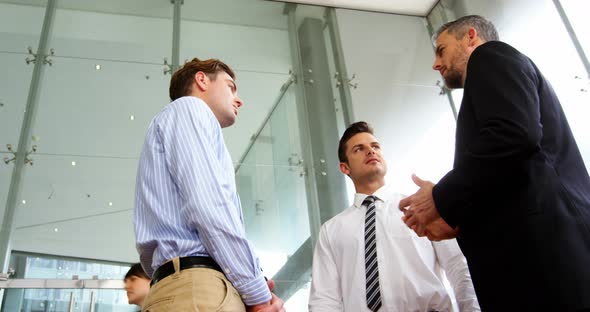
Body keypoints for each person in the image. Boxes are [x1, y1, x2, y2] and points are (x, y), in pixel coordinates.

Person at [399, 15, 590, 311]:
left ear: (471, 37)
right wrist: (459, 221)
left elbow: (513, 134)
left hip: (546, 262)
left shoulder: (490, 56)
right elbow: (511, 170)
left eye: (442, 50)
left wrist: (440, 198)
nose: (436, 64)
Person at [134, 58, 284, 312]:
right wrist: (257, 295)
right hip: (197, 287)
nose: (239, 99)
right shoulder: (190, 108)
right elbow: (209, 207)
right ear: (202, 80)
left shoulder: (174, 122)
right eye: (231, 86)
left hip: (187, 284)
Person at [309, 121, 480, 311]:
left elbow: (458, 266)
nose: (371, 151)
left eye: (375, 146)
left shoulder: (421, 207)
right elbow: (324, 299)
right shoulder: (331, 231)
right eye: (359, 149)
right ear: (345, 168)